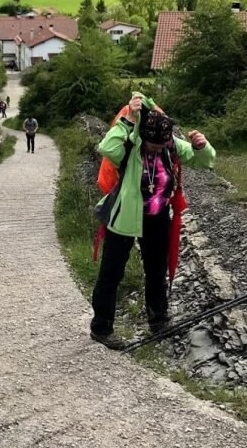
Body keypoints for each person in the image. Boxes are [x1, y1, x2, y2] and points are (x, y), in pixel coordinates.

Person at [90, 95, 215, 349]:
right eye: (153, 145)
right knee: (111, 273)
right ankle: (101, 328)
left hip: (157, 218)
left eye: (161, 145)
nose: (157, 149)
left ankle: (159, 321)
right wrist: (127, 121)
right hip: (123, 218)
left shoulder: (170, 146)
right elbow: (106, 148)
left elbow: (205, 161)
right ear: (143, 137)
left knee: (157, 271)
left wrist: (202, 146)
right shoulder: (130, 145)